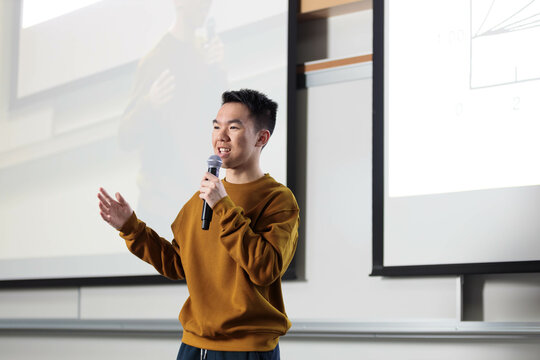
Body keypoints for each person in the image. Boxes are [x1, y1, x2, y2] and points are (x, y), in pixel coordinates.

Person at [98, 89, 299, 360]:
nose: (221, 136)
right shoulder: (200, 199)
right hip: (194, 345)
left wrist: (223, 207)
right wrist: (131, 228)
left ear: (261, 138)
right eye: (216, 126)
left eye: (234, 127)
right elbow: (178, 264)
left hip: (247, 349)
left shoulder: (277, 199)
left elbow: (265, 269)